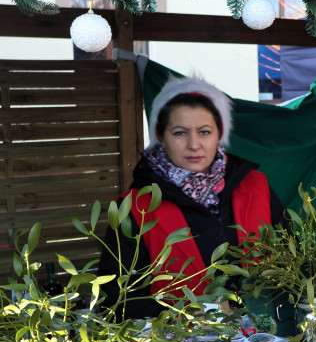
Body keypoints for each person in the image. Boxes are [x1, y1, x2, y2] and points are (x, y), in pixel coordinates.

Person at [98, 77, 285, 319]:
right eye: (180, 133)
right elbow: (117, 301)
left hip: (266, 341)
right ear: (161, 136)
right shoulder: (135, 207)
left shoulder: (256, 186)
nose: (194, 144)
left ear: (220, 133)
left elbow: (289, 264)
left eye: (204, 132)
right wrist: (196, 314)